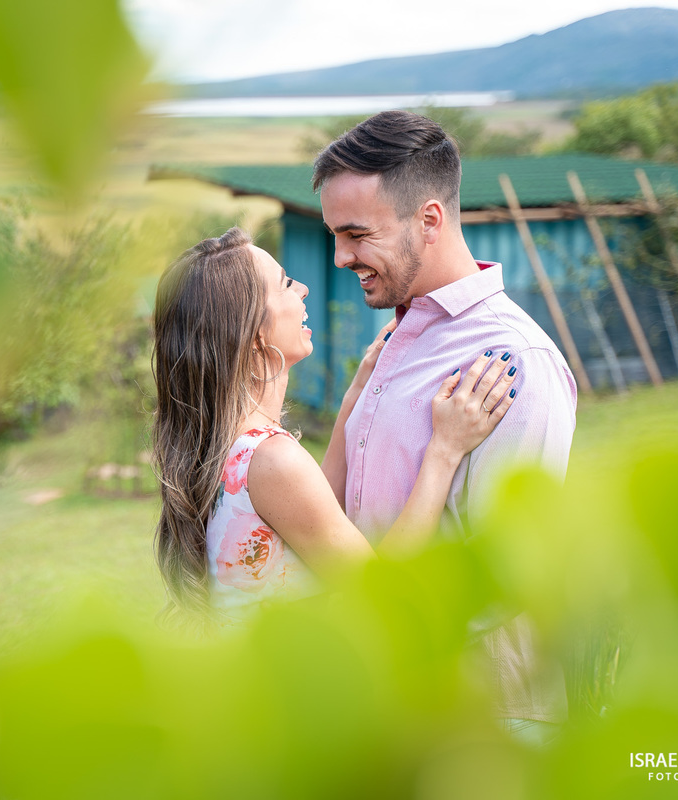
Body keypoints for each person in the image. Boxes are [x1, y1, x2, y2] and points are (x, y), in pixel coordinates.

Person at [313, 109, 578, 745]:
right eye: (334, 236)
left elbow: (506, 567)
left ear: (429, 220)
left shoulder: (515, 361)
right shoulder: (402, 332)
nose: (341, 257)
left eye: (356, 234)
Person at [151, 227, 518, 630]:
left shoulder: (234, 448)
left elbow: (308, 516)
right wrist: (444, 451)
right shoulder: (273, 459)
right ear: (253, 334)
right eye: (285, 284)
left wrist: (357, 392)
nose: (303, 289)